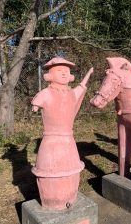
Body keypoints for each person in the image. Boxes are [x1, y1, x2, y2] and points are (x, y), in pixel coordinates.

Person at [31, 57, 93, 209]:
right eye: (60, 70)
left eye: (67, 71)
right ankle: (51, 202)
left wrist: (88, 75)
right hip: (51, 142)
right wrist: (36, 106)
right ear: (50, 75)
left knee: (71, 170)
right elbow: (35, 105)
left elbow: (80, 88)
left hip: (68, 141)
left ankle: (69, 198)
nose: (64, 73)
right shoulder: (44, 94)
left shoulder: (71, 93)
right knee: (50, 174)